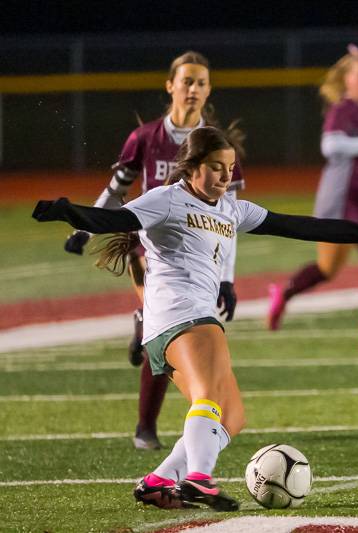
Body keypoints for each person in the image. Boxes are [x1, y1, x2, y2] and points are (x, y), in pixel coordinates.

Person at [33, 126, 358, 511]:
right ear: (191, 167)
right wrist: (65, 210)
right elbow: (111, 220)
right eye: (216, 167)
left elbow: (296, 225)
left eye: (230, 168)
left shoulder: (232, 209)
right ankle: (200, 478)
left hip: (184, 323)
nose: (226, 176)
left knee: (232, 416)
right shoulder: (166, 199)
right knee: (208, 398)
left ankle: (159, 480)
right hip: (182, 316)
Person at [63, 51, 245, 450]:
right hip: (149, 248)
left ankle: (151, 421)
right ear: (170, 86)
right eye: (186, 81)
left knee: (168, 334)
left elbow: (228, 219)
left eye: (201, 82)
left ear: (209, 89)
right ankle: (146, 427)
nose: (193, 89)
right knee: (167, 329)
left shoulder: (217, 147)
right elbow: (117, 189)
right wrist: (84, 228)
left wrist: (227, 279)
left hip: (196, 253)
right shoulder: (145, 138)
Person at [267, 44, 358, 346]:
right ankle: (284, 293)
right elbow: (330, 147)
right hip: (341, 197)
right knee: (327, 269)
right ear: (347, 79)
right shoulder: (342, 110)